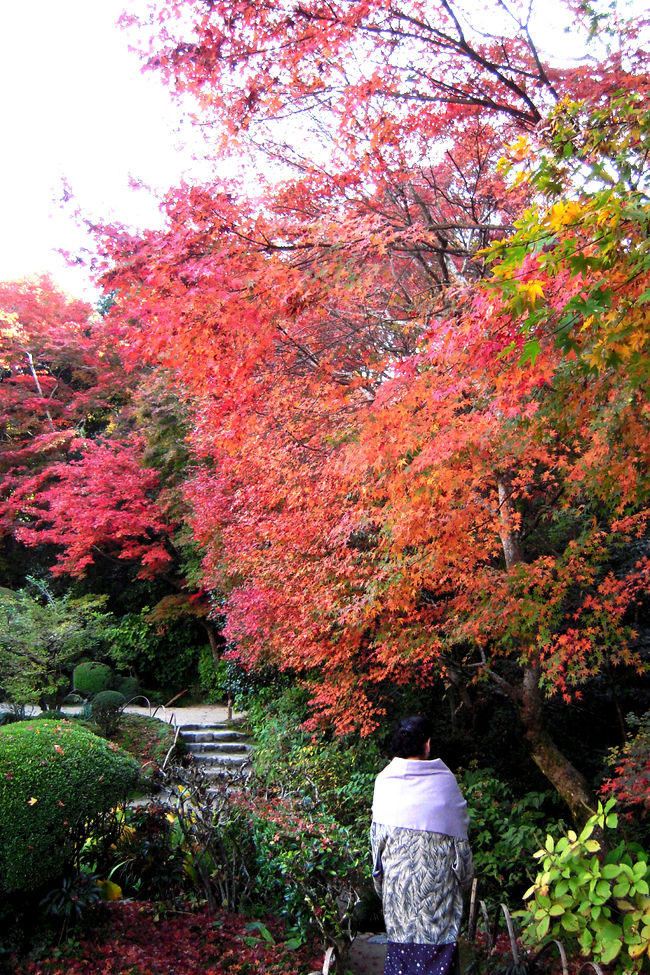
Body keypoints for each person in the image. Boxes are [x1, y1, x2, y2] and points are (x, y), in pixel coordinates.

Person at [371, 716, 473, 975]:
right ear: (427, 744)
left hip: (399, 891)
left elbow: (377, 845)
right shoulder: (444, 782)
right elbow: (461, 848)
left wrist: (381, 885)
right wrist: (464, 881)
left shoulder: (384, 782)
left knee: (402, 959)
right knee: (439, 958)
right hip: (438, 893)